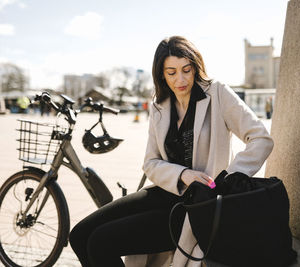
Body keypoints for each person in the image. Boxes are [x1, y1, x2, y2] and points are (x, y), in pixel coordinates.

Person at [69, 36, 274, 267]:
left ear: (195, 67)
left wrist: (228, 182)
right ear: (162, 75)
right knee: (78, 235)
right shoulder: (159, 105)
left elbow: (261, 138)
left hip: (196, 208)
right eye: (171, 72)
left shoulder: (217, 93)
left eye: (186, 69)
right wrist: (182, 174)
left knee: (100, 242)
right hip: (165, 191)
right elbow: (150, 162)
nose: (181, 79)